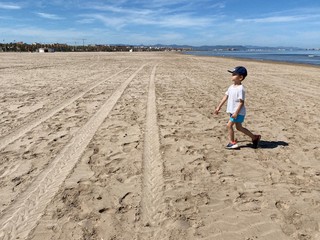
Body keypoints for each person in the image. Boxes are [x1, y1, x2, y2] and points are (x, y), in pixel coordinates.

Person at [214, 66, 261, 149]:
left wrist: (236, 113)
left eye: (234, 74)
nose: (232, 75)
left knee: (229, 126)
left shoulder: (241, 89)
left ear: (241, 77)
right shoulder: (231, 87)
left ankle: (232, 143)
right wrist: (218, 107)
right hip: (233, 112)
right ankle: (254, 137)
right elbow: (225, 97)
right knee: (239, 127)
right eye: (232, 74)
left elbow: (241, 102)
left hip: (238, 112)